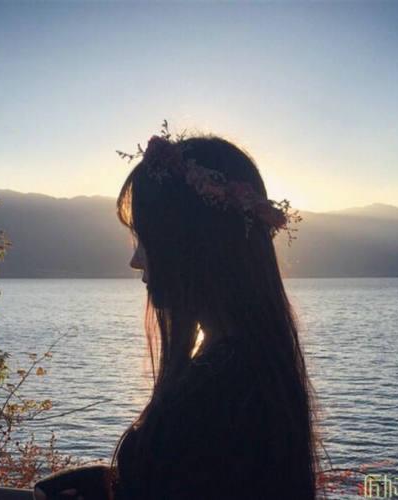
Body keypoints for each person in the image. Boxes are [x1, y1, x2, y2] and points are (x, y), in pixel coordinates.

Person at [34, 124, 322, 500]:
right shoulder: (255, 366)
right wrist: (115, 486)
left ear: (190, 244)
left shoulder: (219, 394)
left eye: (145, 239)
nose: (135, 260)